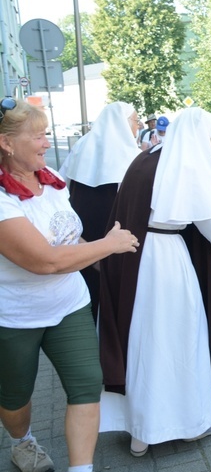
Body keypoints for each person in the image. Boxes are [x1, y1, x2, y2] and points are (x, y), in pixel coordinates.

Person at [97, 108, 211, 458]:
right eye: (209, 137)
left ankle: (140, 433)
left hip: (138, 261)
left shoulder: (146, 158)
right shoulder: (189, 162)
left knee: (144, 337)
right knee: (180, 338)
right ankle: (192, 423)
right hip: (168, 262)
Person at [0, 98, 139, 472]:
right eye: (39, 136)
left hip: (69, 304)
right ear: (6, 143)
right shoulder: (2, 199)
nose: (47, 143)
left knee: (86, 385)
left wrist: (102, 258)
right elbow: (44, 260)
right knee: (14, 399)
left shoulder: (52, 182)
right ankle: (21, 441)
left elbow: (69, 242)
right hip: (15, 316)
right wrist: (108, 245)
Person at [59, 101, 141, 320]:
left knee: (88, 292)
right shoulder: (129, 151)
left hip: (81, 232)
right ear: (123, 123)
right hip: (113, 231)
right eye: (135, 120)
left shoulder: (82, 144)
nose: (139, 125)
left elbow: (63, 182)